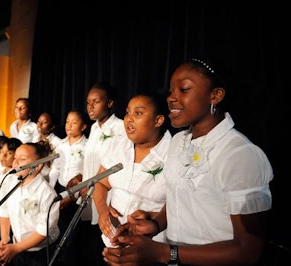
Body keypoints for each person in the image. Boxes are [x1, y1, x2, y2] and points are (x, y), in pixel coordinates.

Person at [102, 57, 274, 266]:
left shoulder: (240, 155)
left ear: (215, 96)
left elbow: (248, 251)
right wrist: (155, 224)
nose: (171, 98)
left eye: (183, 89)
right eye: (171, 91)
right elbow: (177, 199)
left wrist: (163, 253)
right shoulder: (178, 141)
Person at [93, 93, 172, 248]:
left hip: (152, 246)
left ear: (158, 120)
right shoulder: (119, 145)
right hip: (112, 239)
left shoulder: (173, 152)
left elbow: (180, 204)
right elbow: (100, 183)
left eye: (138, 113)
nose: (129, 118)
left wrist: (152, 217)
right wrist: (103, 212)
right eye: (128, 112)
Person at [78, 81, 126, 266]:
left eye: (96, 102)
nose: (90, 106)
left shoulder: (121, 127)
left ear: (110, 103)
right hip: (89, 192)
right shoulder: (94, 127)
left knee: (107, 244)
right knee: (90, 245)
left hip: (107, 193)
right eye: (88, 102)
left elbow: (116, 164)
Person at [0, 142, 60, 266]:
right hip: (17, 246)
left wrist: (16, 248)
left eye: (22, 159)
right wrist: (5, 238)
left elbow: (43, 230)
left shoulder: (47, 193)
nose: (15, 162)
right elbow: (5, 211)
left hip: (41, 252)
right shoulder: (11, 183)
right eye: (16, 157)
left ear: (38, 166)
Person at [48, 109, 88, 266]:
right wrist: (51, 191)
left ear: (83, 126)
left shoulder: (87, 145)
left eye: (74, 122)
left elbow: (87, 171)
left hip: (76, 194)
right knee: (56, 229)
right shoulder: (61, 145)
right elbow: (55, 169)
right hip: (59, 189)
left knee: (71, 234)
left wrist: (73, 195)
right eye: (67, 121)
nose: (69, 125)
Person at [36, 111, 62, 182]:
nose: (39, 124)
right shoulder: (35, 139)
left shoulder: (58, 143)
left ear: (52, 126)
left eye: (44, 122)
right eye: (38, 121)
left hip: (47, 179)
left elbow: (56, 166)